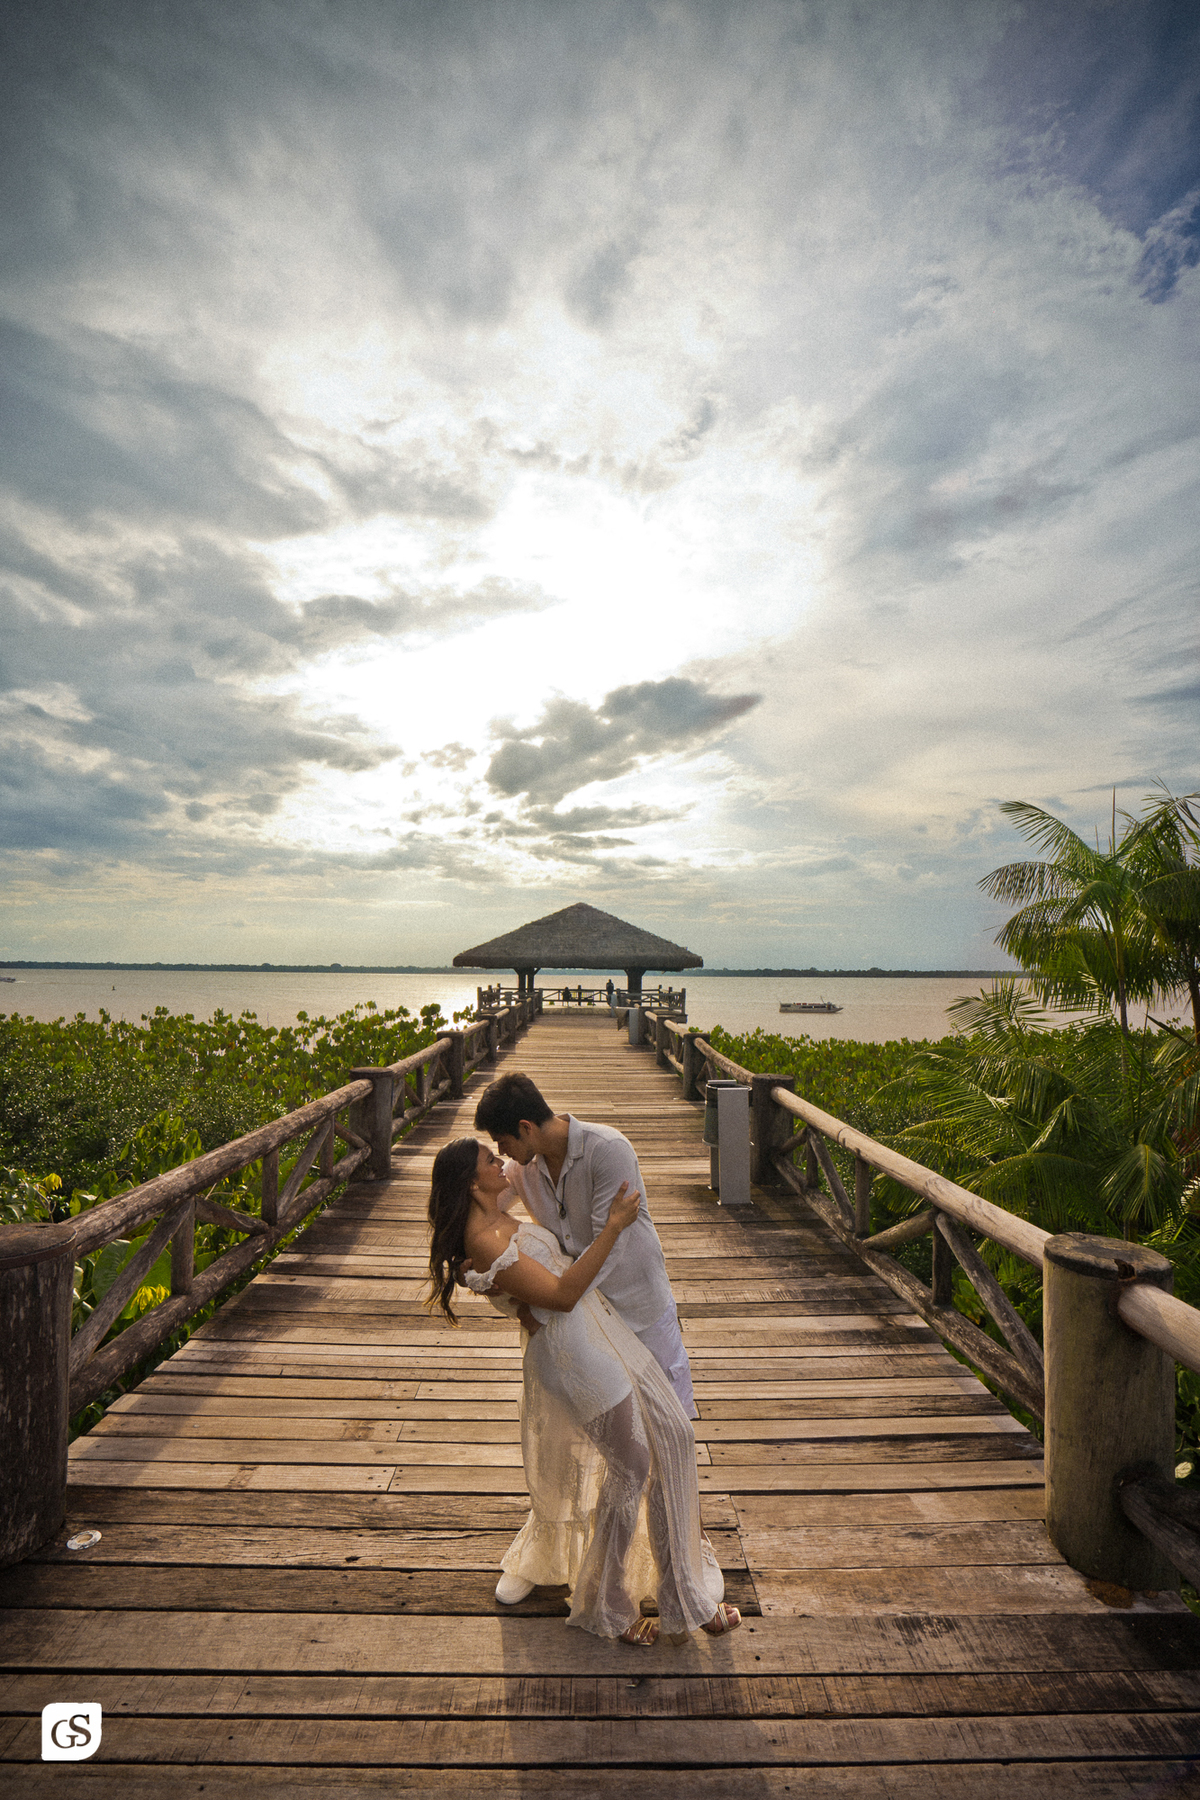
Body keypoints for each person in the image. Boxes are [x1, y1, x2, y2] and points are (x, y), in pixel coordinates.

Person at [426, 1137, 740, 1648]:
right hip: (574, 1354)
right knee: (634, 1465)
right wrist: (613, 1226)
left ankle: (672, 1590)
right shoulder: (482, 1238)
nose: (500, 1162)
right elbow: (564, 1295)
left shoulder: (492, 1209)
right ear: (471, 1182)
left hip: (598, 1335)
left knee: (670, 1440)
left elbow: (533, 1160)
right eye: (489, 1159)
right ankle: (608, 1600)